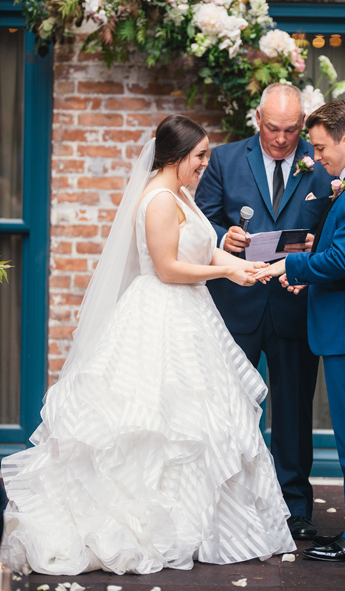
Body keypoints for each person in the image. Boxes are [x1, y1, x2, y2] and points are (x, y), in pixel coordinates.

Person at [0, 115, 295, 575]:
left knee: (201, 423)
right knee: (160, 422)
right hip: (162, 314)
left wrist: (243, 266)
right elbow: (168, 269)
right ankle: (152, 524)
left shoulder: (181, 195)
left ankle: (202, 523)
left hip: (192, 316)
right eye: (199, 156)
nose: (206, 163)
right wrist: (225, 272)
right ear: (176, 157)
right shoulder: (157, 200)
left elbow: (204, 247)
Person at [255, 101, 345, 562]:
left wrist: (291, 264)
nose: (317, 159)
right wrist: (310, 264)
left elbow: (342, 263)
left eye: (320, 148)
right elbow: (342, 252)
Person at [194, 83, 334, 541]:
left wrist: (317, 244)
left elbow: (335, 234)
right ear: (258, 120)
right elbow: (199, 219)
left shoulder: (320, 170)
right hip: (237, 307)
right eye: (273, 128)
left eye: (291, 130)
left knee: (293, 414)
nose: (281, 139)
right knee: (230, 410)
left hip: (293, 305)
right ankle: (227, 506)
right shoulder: (225, 159)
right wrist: (223, 237)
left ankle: (295, 511)